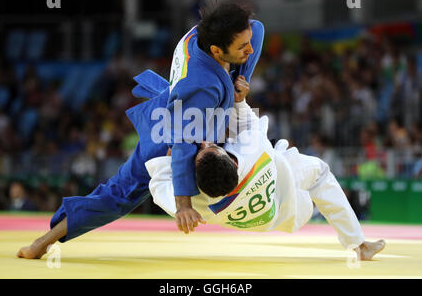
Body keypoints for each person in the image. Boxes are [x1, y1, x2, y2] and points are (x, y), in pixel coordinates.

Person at [17, 0, 264, 257]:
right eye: (242, 48)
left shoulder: (201, 35)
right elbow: (181, 143)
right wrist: (183, 204)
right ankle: (42, 243)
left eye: (246, 43)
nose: (249, 50)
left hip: (192, 119)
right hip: (166, 141)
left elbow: (257, 30)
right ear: (217, 51)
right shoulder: (202, 87)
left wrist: (239, 78)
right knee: (117, 197)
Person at [144, 99, 386, 261]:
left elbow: (158, 184)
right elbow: (247, 122)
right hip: (289, 197)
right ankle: (359, 244)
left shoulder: (195, 203)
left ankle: (358, 244)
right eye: (211, 147)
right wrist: (240, 98)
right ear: (233, 161)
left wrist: (172, 159)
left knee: (303, 169)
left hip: (276, 213)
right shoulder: (251, 154)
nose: (206, 143)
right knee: (320, 173)